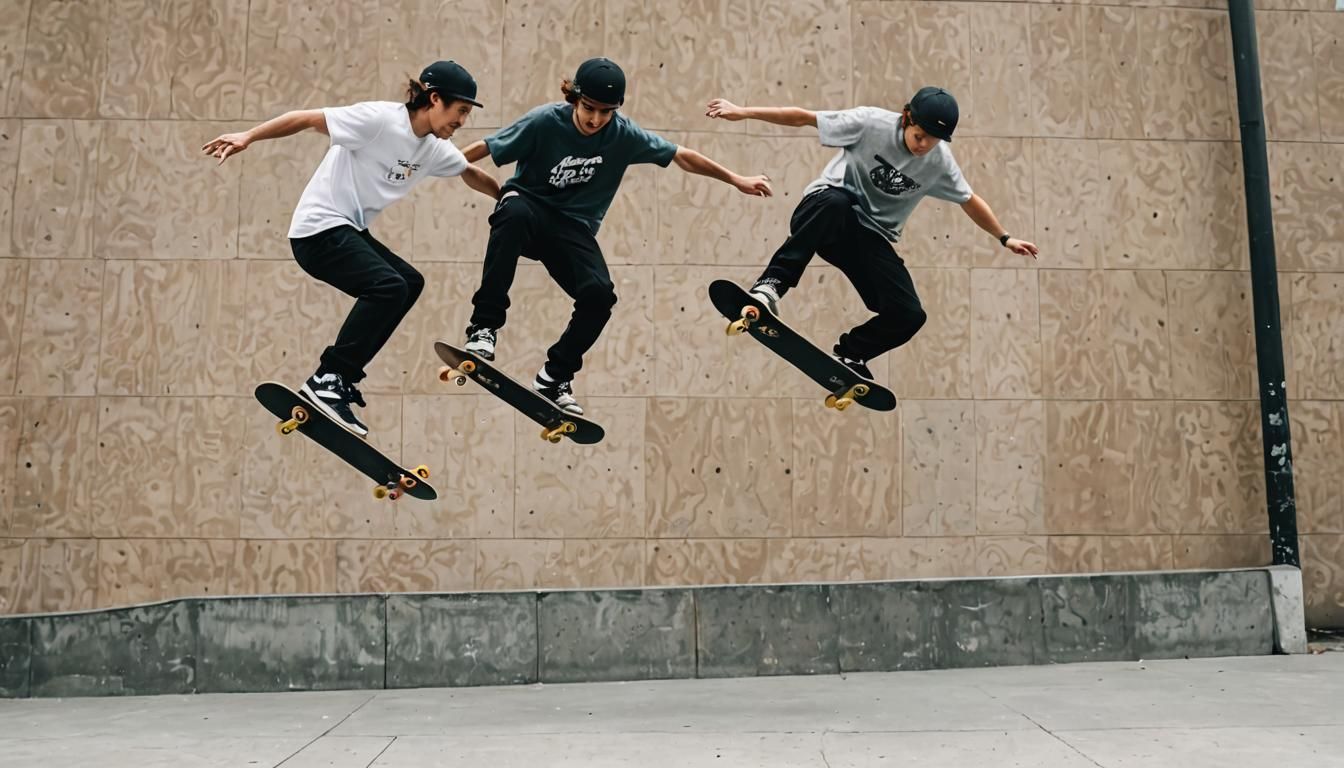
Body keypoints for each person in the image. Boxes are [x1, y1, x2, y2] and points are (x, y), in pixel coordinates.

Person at [458, 57, 773, 415]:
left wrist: (735, 178)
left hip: (571, 228)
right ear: (574, 98)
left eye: (605, 112)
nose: (595, 120)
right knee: (511, 211)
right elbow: (485, 147)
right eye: (589, 109)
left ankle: (554, 376)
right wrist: (441, 159)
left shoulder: (624, 134)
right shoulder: (544, 121)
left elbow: (682, 156)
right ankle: (484, 327)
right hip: (527, 209)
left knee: (599, 296)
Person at [203, 61, 500, 436]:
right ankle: (329, 377)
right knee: (388, 287)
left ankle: (340, 378)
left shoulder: (434, 148)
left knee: (409, 282)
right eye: (460, 112)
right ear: (434, 99)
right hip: (317, 231)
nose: (461, 122)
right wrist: (248, 136)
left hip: (347, 231)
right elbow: (306, 118)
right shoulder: (379, 120)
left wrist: (507, 199)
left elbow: (469, 172)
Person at [704, 86, 1039, 380]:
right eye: (919, 136)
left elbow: (969, 200)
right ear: (906, 117)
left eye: (932, 141)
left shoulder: (940, 163)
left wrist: (1004, 237)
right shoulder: (870, 123)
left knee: (909, 314)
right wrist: (742, 111)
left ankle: (852, 354)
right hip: (823, 212)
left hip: (868, 238)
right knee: (836, 201)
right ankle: (771, 286)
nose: (923, 146)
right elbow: (803, 117)